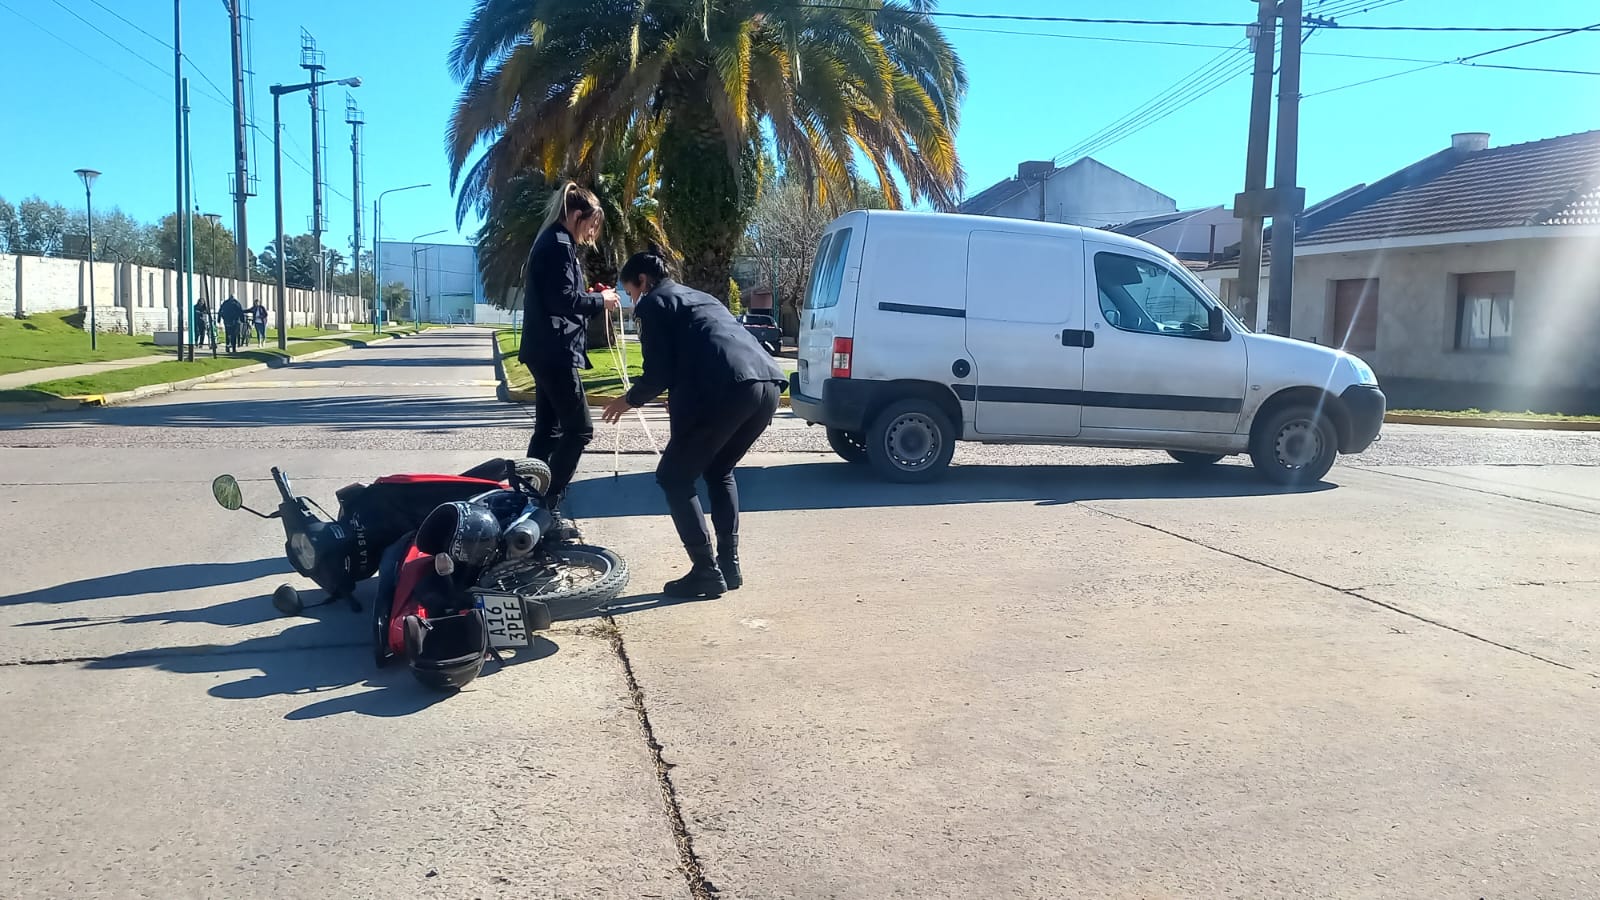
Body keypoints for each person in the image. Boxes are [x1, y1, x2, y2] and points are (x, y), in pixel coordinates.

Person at [601, 247, 788, 598]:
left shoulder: (654, 303)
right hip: (767, 386)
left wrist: (628, 400)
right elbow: (703, 350)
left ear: (642, 281)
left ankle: (705, 570)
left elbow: (658, 373)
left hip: (728, 390)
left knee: (673, 477)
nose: (631, 299)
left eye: (630, 291)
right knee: (719, 471)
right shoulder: (699, 297)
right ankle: (729, 567)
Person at [520, 182, 621, 529]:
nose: (592, 232)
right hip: (555, 352)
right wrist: (601, 301)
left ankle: (527, 496)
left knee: (548, 430)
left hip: (543, 349)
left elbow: (562, 296)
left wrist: (589, 295)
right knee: (579, 430)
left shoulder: (549, 241)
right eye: (591, 223)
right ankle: (548, 501)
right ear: (576, 215)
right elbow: (563, 300)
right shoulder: (559, 245)